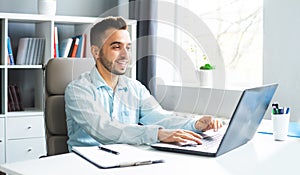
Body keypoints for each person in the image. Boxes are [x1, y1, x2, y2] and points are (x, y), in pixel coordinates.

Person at [65, 16, 222, 151]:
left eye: (128, 47)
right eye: (116, 47)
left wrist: (195, 124)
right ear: (96, 52)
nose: (125, 55)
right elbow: (104, 129)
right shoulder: (78, 90)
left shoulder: (135, 88)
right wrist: (158, 134)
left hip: (127, 161)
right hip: (85, 165)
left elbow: (160, 118)